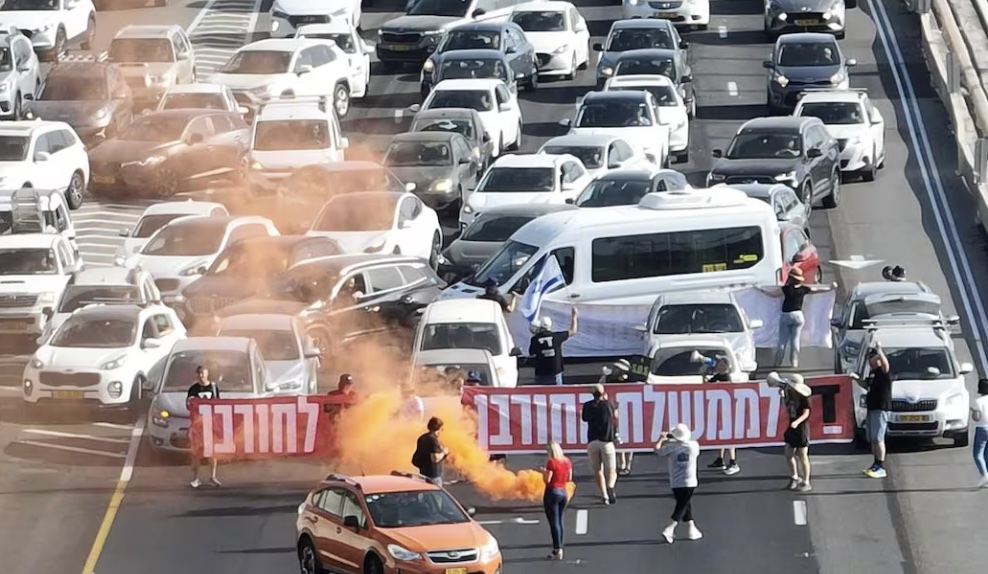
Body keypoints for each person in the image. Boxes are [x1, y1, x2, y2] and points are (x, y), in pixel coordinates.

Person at [759, 268, 836, 368]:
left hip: (786, 315)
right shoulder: (804, 289)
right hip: (799, 316)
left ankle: (778, 361)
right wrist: (830, 288)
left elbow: (773, 295)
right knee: (795, 340)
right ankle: (794, 361)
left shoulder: (786, 289)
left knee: (782, 340)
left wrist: (761, 290)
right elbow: (817, 290)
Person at [655, 423, 702, 544]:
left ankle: (692, 529)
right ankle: (669, 528)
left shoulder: (671, 448)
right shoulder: (694, 446)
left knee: (685, 503)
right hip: (690, 481)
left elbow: (657, 450)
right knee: (682, 505)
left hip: (676, 482)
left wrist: (662, 439)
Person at [855, 342, 892, 478]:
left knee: (878, 438)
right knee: (872, 438)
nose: (869, 362)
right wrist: (857, 379)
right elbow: (866, 385)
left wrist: (879, 349)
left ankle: (881, 467)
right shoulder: (873, 373)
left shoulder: (884, 372)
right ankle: (875, 464)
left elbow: (886, 365)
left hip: (880, 408)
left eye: (871, 358)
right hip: (871, 407)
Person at [581, 383, 618, 504]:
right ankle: (610, 487)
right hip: (606, 441)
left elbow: (585, 418)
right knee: (611, 470)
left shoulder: (587, 405)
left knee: (598, 470)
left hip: (592, 440)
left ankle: (604, 495)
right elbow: (615, 415)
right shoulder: (609, 404)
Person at [187, 365, 221, 489]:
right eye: (199, 373)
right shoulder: (193, 389)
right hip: (198, 425)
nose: (201, 375)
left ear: (207, 373)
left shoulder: (213, 387)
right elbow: (189, 405)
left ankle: (212, 477)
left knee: (212, 452)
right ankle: (195, 479)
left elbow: (219, 404)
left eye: (203, 373)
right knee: (196, 453)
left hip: (210, 424)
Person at [599, 360, 635, 476]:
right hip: (615, 414)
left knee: (630, 440)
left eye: (617, 369)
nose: (615, 370)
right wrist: (604, 376)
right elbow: (600, 389)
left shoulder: (630, 381)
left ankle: (628, 465)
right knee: (618, 439)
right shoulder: (610, 379)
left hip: (629, 414)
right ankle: (622, 464)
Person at [780, 373, 813, 492]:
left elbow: (806, 413)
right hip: (792, 428)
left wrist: (797, 422)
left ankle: (806, 480)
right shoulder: (789, 395)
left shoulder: (803, 398)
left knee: (802, 455)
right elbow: (788, 409)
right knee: (788, 453)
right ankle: (794, 476)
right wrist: (783, 398)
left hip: (801, 429)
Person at [529, 308, 579, 386]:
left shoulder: (535, 339)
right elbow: (573, 330)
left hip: (541, 372)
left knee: (541, 396)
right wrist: (574, 315)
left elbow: (531, 353)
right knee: (557, 394)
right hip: (555, 371)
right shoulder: (557, 337)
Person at [541, 441, 573, 561]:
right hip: (563, 492)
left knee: (553, 522)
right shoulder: (567, 461)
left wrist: (543, 472)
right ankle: (560, 546)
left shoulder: (551, 462)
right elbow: (569, 478)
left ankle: (557, 549)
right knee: (560, 520)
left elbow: (547, 480)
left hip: (552, 492)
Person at [412, 416, 450, 487]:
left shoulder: (422, 438)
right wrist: (444, 452)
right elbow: (434, 458)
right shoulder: (433, 440)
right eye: (442, 429)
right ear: (438, 428)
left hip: (423, 473)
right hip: (433, 475)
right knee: (436, 496)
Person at [971, 379, 988, 488]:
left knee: (977, 454)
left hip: (983, 428)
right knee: (987, 453)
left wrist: (973, 411)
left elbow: (976, 418)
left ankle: (985, 475)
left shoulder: (978, 401)